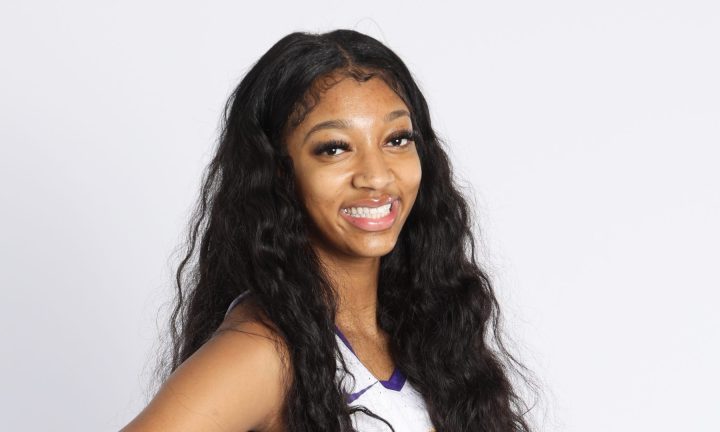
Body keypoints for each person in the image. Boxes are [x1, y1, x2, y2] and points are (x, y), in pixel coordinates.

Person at [122, 29, 535, 432]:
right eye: (334, 148)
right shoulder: (263, 351)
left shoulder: (424, 332)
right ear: (279, 173)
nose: (376, 176)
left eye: (396, 140)